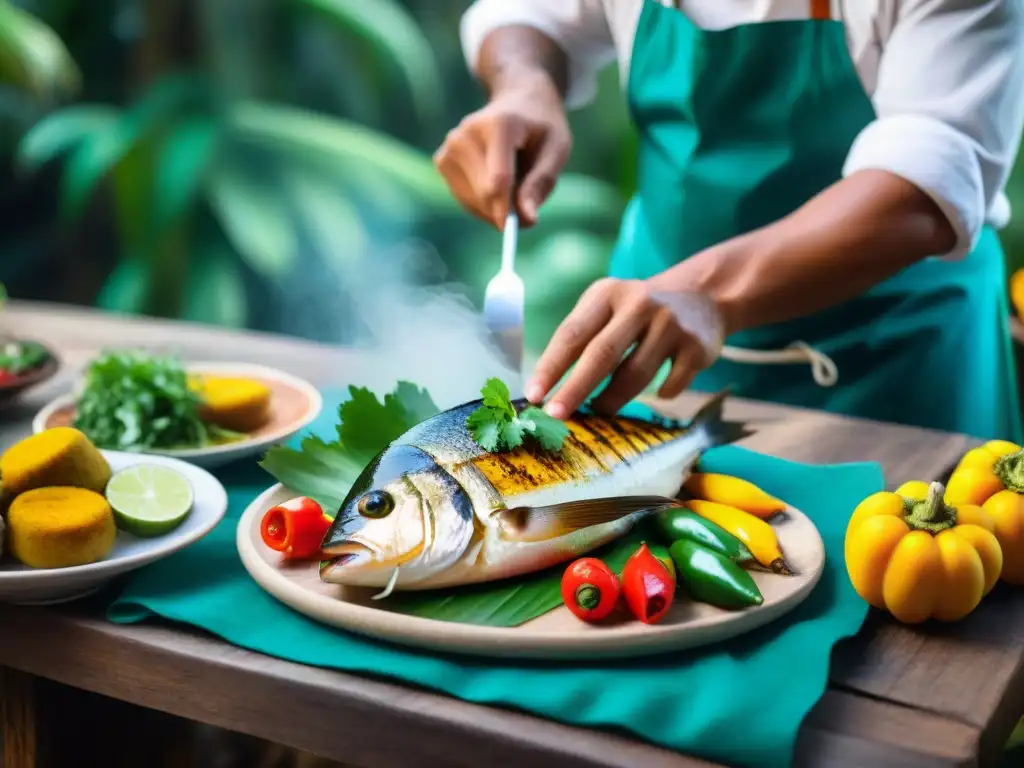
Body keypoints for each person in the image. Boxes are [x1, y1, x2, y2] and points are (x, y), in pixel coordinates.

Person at [434, 0, 1024, 442]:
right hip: (650, 362)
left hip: (893, 365)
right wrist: (523, 84)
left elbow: (926, 182)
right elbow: (530, 13)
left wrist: (704, 293)